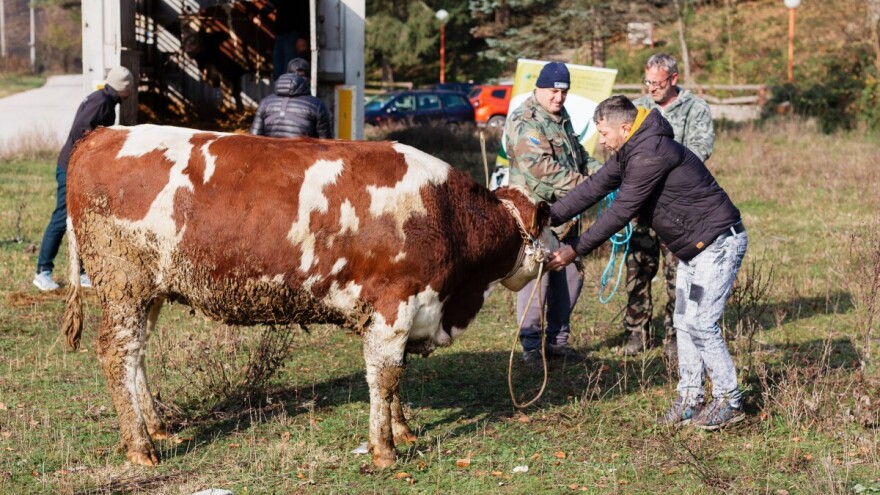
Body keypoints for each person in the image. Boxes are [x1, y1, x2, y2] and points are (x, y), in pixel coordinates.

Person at [547, 95, 747, 429]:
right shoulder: (631, 150)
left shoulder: (650, 153)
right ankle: (690, 399)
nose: (602, 142)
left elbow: (621, 211)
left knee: (701, 323)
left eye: (605, 134)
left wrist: (575, 249)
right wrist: (548, 216)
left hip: (718, 244)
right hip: (695, 250)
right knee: (684, 321)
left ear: (625, 127)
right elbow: (594, 187)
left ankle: (729, 400)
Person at [504, 61, 601, 367]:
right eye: (553, 91)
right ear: (539, 88)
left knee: (570, 276)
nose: (558, 98)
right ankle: (531, 348)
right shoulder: (525, 119)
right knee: (537, 281)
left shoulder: (561, 117)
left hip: (567, 217)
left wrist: (607, 176)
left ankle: (557, 343)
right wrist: (588, 187)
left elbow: (578, 156)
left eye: (563, 92)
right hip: (536, 217)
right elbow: (540, 170)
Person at [623, 53, 716, 358]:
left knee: (678, 274)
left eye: (657, 83)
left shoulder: (695, 109)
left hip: (677, 209)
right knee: (637, 267)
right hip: (641, 206)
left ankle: (675, 336)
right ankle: (636, 332)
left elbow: (700, 150)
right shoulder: (637, 109)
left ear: (674, 79)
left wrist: (659, 168)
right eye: (647, 82)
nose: (651, 88)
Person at [33, 66, 134, 292]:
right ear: (123, 89)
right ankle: (42, 271)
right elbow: (82, 130)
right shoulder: (101, 102)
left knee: (82, 220)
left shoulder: (104, 98)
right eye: (130, 88)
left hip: (81, 168)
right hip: (71, 167)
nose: (131, 92)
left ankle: (82, 272)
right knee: (61, 218)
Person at [249, 71, 331, 138]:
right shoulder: (317, 105)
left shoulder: (265, 102)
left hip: (271, 156)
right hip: (302, 156)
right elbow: (325, 144)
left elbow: (253, 139)